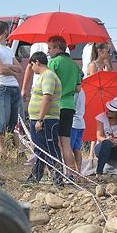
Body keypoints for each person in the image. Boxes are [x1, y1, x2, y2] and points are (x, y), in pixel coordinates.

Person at [23, 52, 62, 186]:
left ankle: (58, 178)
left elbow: (47, 97)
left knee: (50, 149)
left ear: (37, 62)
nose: (31, 68)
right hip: (38, 119)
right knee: (39, 149)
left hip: (46, 120)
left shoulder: (48, 76)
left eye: (32, 65)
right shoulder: (42, 77)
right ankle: (35, 177)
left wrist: (40, 119)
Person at [0, 22, 22, 158]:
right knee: (1, 122)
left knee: (14, 122)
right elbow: (0, 69)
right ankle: (3, 153)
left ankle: (17, 151)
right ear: (6, 31)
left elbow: (19, 68)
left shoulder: (8, 49)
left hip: (14, 87)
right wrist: (12, 72)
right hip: (1, 87)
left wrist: (8, 67)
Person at [49, 35, 82, 173]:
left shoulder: (53, 62)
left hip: (56, 106)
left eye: (50, 48)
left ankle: (57, 173)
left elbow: (49, 83)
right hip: (69, 106)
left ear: (57, 48)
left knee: (54, 143)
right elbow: (78, 88)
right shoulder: (74, 65)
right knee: (66, 144)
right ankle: (71, 174)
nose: (48, 51)